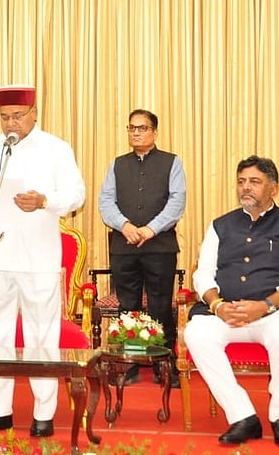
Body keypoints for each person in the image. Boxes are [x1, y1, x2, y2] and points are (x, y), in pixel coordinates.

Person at [0, 84, 86, 438]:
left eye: (17, 116)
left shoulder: (56, 149)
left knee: (40, 334)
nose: (10, 123)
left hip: (37, 257)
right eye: (4, 117)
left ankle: (43, 414)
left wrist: (44, 200)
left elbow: (77, 194)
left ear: (34, 114)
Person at [185, 155, 279, 446]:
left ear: (274, 189)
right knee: (196, 333)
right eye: (242, 182)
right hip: (227, 311)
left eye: (255, 182)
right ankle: (242, 415)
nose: (246, 188)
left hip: (274, 313)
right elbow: (203, 273)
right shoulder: (220, 225)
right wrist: (217, 305)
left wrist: (265, 306)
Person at [97, 109, 186, 387]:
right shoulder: (117, 164)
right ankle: (130, 364)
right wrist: (124, 225)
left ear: (154, 132)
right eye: (132, 128)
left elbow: (176, 202)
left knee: (160, 306)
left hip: (159, 246)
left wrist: (150, 229)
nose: (136, 133)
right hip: (124, 246)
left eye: (143, 128)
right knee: (128, 307)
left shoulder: (172, 162)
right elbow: (105, 201)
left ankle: (165, 366)